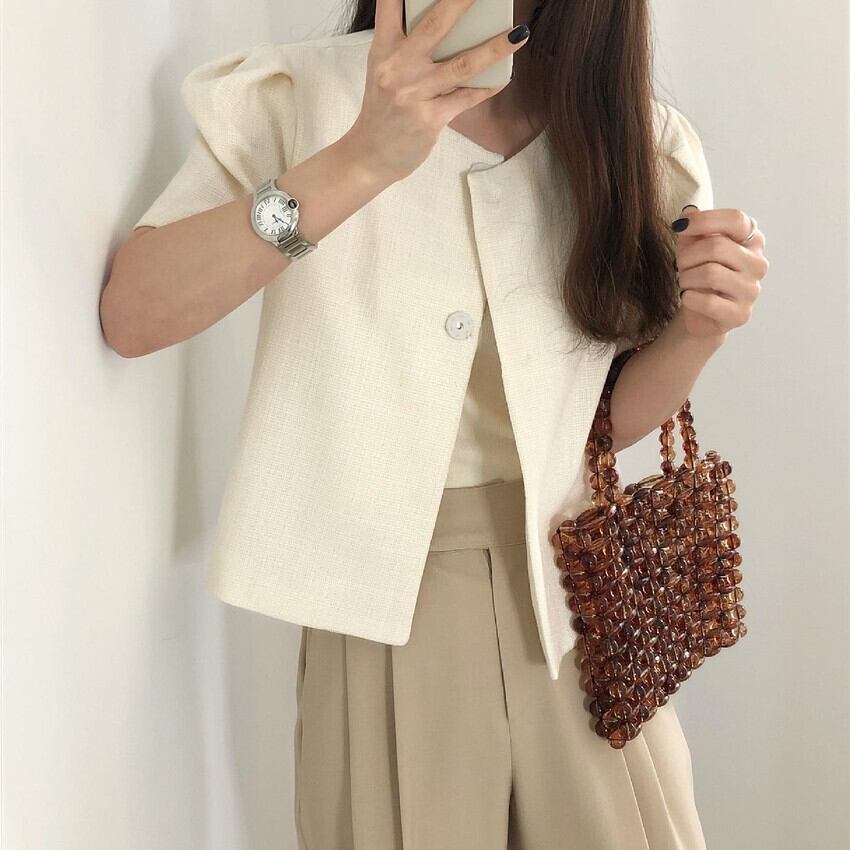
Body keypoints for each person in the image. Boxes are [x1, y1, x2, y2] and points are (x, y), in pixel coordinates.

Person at [100, 0, 769, 846]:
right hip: (381, 618)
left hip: (582, 617)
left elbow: (594, 430)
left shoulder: (632, 139)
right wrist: (360, 159)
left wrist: (698, 332)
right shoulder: (296, 96)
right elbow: (135, 313)